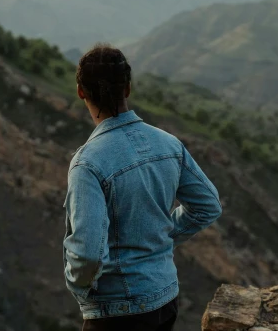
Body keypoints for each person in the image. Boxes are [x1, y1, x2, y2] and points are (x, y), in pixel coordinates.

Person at [63, 44, 223, 331]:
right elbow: (208, 205)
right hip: (165, 298)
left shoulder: (87, 164)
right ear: (127, 89)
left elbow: (88, 254)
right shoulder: (168, 144)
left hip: (116, 312)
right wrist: (158, 238)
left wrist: (80, 289)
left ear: (81, 92)